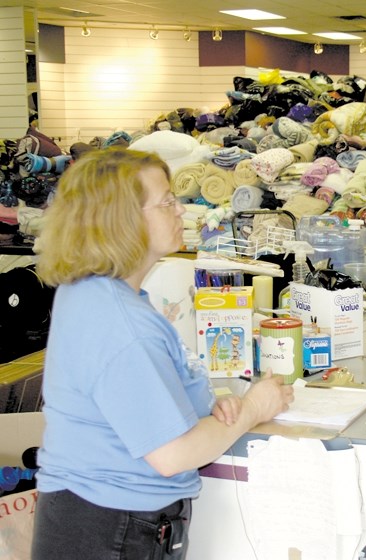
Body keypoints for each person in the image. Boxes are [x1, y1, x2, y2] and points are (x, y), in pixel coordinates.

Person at [30, 148, 294, 559]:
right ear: (123, 220)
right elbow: (172, 454)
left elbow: (130, 403)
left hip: (90, 518)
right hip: (112, 528)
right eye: (167, 202)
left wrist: (205, 405)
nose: (181, 211)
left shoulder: (92, 292)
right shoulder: (121, 323)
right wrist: (254, 408)